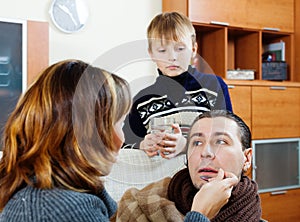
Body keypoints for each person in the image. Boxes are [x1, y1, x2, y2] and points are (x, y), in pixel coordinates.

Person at [0, 59, 132, 221]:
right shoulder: (60, 210)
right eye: (120, 123)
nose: (122, 139)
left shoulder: (65, 194)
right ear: (88, 133)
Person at [116, 110, 262, 221]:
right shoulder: (138, 206)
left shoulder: (253, 212)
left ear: (247, 158)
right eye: (197, 143)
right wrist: (199, 215)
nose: (205, 153)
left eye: (221, 142)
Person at [123, 12, 232, 159]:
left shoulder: (214, 86)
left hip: (204, 178)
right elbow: (123, 144)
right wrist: (141, 145)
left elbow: (230, 137)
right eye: (162, 50)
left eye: (180, 49)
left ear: (193, 50)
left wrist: (187, 145)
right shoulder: (142, 100)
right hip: (160, 180)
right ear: (151, 54)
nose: (172, 57)